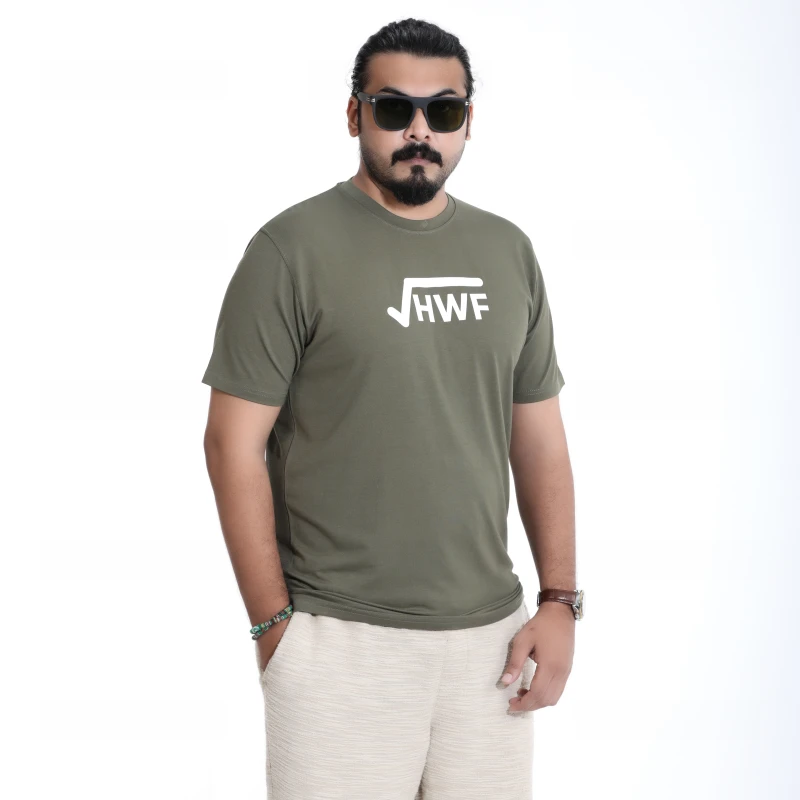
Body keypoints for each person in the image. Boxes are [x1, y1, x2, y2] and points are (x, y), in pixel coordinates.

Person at [201, 17, 579, 800]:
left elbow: (539, 438)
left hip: (491, 645)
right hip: (340, 641)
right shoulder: (290, 250)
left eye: (443, 111)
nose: (419, 131)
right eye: (393, 108)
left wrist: (560, 602)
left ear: (468, 120)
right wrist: (275, 630)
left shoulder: (508, 252)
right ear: (354, 114)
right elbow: (231, 445)